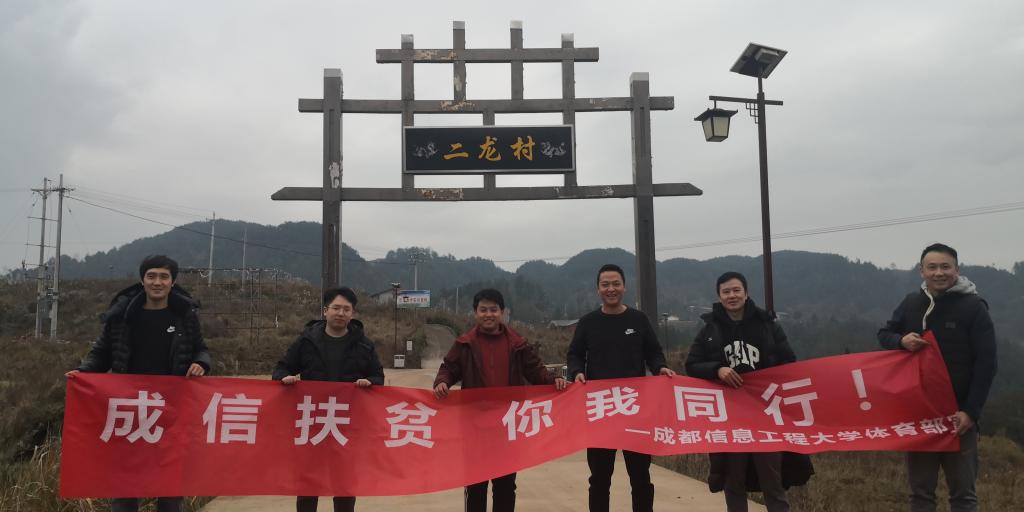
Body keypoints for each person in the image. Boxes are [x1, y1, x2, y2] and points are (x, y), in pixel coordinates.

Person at [65, 255, 210, 512]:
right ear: (142, 280)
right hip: (128, 412)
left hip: (171, 412)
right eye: (151, 276)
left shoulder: (184, 315)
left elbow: (200, 348)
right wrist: (83, 373)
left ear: (173, 281)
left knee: (170, 489)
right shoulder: (122, 316)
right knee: (124, 487)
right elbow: (102, 353)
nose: (157, 282)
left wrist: (201, 363)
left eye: (164, 277)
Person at [878, 243, 997, 512]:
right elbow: (884, 334)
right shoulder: (912, 302)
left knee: (963, 495)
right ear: (922, 271)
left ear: (957, 269)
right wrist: (900, 341)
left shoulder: (974, 307)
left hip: (959, 417)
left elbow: (986, 364)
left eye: (945, 267)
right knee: (920, 494)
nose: (939, 273)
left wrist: (971, 412)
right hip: (919, 415)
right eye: (932, 267)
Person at [432, 288, 568, 512]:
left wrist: (554, 380)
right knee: (475, 486)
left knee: (505, 486)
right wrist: (442, 382)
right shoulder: (465, 344)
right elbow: (449, 368)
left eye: (493, 310)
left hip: (508, 427)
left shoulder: (517, 344)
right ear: (475, 312)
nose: (489, 314)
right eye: (483, 310)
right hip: (475, 428)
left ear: (502, 312)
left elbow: (536, 371)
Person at [566, 263, 675, 512]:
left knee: (641, 476)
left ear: (624, 287)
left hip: (635, 408)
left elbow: (653, 352)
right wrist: (577, 372)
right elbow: (574, 355)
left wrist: (660, 367)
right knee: (599, 478)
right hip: (601, 410)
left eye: (616, 284)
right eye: (605, 285)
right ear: (598, 289)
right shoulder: (588, 322)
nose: (611, 289)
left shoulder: (638, 320)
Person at [685, 271, 797, 512]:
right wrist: (717, 369)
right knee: (733, 480)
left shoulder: (767, 325)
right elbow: (691, 364)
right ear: (719, 296)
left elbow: (789, 361)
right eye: (726, 291)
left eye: (736, 290)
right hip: (730, 416)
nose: (732, 295)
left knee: (772, 481)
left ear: (746, 293)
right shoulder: (710, 330)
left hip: (765, 413)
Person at [272, 286, 384, 512]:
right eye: (336, 308)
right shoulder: (306, 341)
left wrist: (369, 382)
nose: (341, 313)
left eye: (346, 309)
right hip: (312, 423)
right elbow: (281, 369)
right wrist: (285, 378)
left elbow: (378, 377)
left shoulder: (364, 345)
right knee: (308, 481)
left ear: (352, 313)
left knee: (344, 482)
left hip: (346, 424)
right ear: (325, 310)